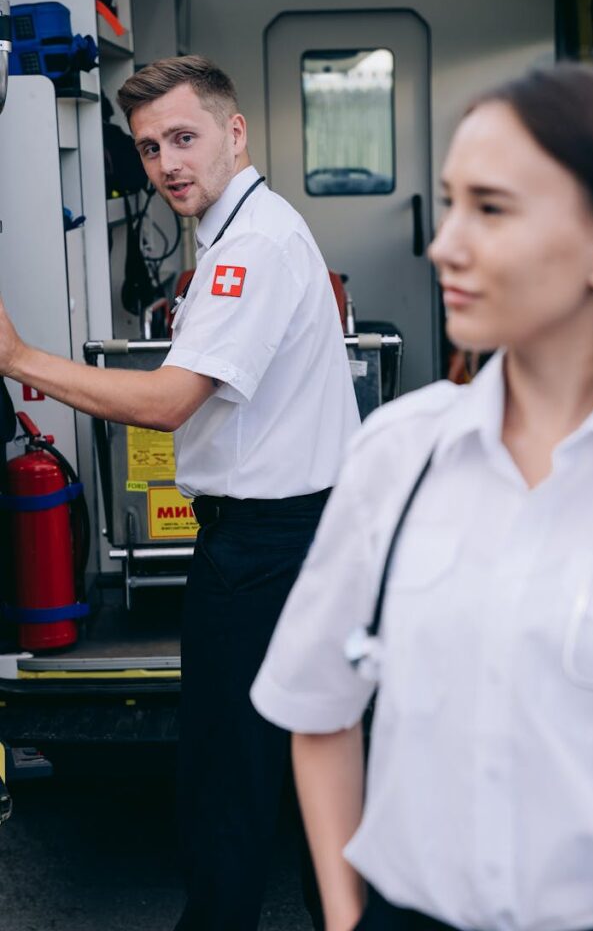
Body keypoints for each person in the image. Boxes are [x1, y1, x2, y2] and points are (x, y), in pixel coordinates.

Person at [251, 63, 593, 931]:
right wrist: (344, 920)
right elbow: (318, 711)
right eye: (449, 204)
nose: (443, 243)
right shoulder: (398, 455)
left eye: (489, 209)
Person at [0, 54, 360, 930]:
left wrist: (16, 358)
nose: (167, 164)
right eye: (150, 147)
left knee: (226, 773)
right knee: (288, 767)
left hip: (268, 546)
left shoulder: (254, 247)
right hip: (282, 539)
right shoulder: (240, 236)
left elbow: (167, 404)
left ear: (235, 133)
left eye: (185, 138)